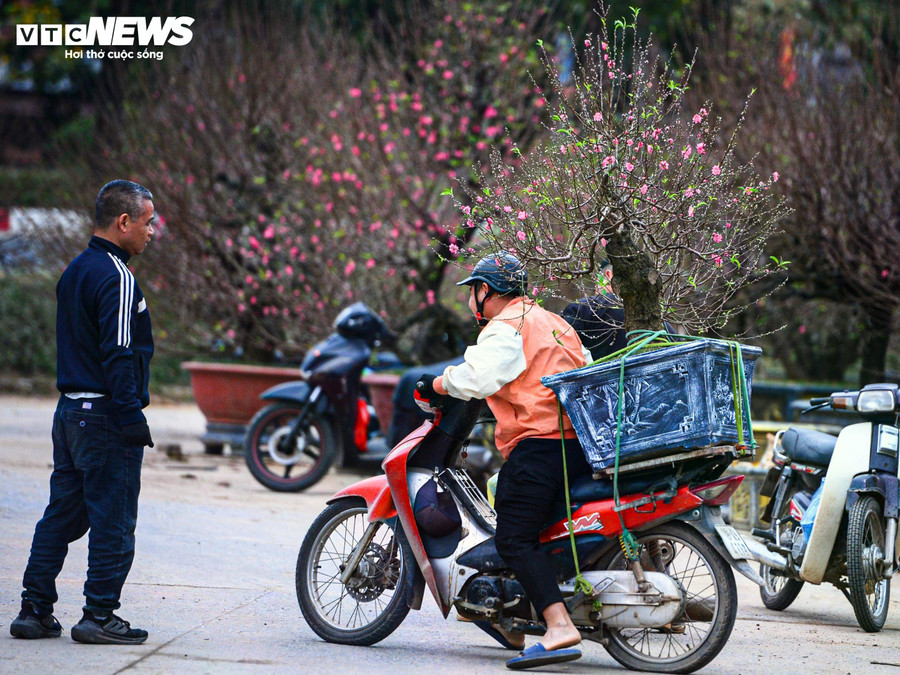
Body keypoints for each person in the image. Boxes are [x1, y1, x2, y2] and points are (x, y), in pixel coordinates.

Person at [429, 253, 593, 669]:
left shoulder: (507, 326)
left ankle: (558, 626)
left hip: (540, 446)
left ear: (487, 291)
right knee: (539, 532)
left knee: (513, 538)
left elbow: (479, 377)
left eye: (473, 291)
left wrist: (438, 382)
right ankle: (518, 617)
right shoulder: (554, 322)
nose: (471, 301)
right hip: (577, 445)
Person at [10, 180, 156, 645]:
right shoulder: (116, 274)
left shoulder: (74, 270)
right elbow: (117, 351)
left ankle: (33, 610)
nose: (152, 232)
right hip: (105, 416)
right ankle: (99, 615)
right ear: (124, 221)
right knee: (113, 519)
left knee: (63, 514)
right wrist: (131, 415)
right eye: (148, 222)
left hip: (69, 412)